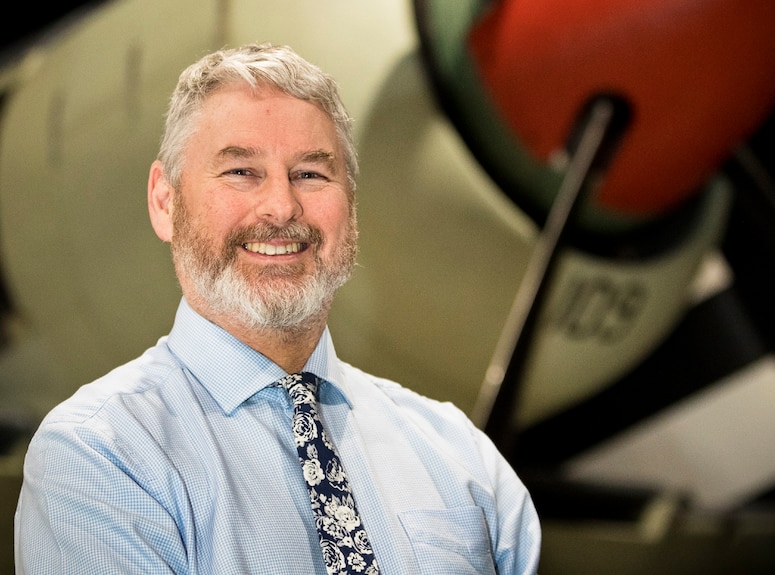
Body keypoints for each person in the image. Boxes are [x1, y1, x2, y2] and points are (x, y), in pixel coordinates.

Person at [14, 43, 541, 574]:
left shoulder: (461, 456)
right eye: (241, 171)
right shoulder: (100, 455)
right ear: (165, 201)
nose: (282, 207)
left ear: (350, 207)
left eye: (311, 174)